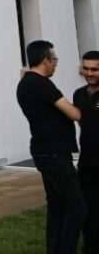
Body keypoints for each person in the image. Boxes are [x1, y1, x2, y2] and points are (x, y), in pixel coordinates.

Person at [17, 39, 84, 254]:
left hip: (43, 151)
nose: (55, 64)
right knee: (76, 206)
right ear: (45, 60)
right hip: (54, 153)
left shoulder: (25, 83)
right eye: (54, 59)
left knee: (57, 205)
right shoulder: (41, 84)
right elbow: (74, 113)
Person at [76, 50, 99, 254]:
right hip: (87, 162)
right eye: (86, 68)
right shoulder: (79, 94)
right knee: (88, 208)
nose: (89, 73)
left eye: (95, 69)